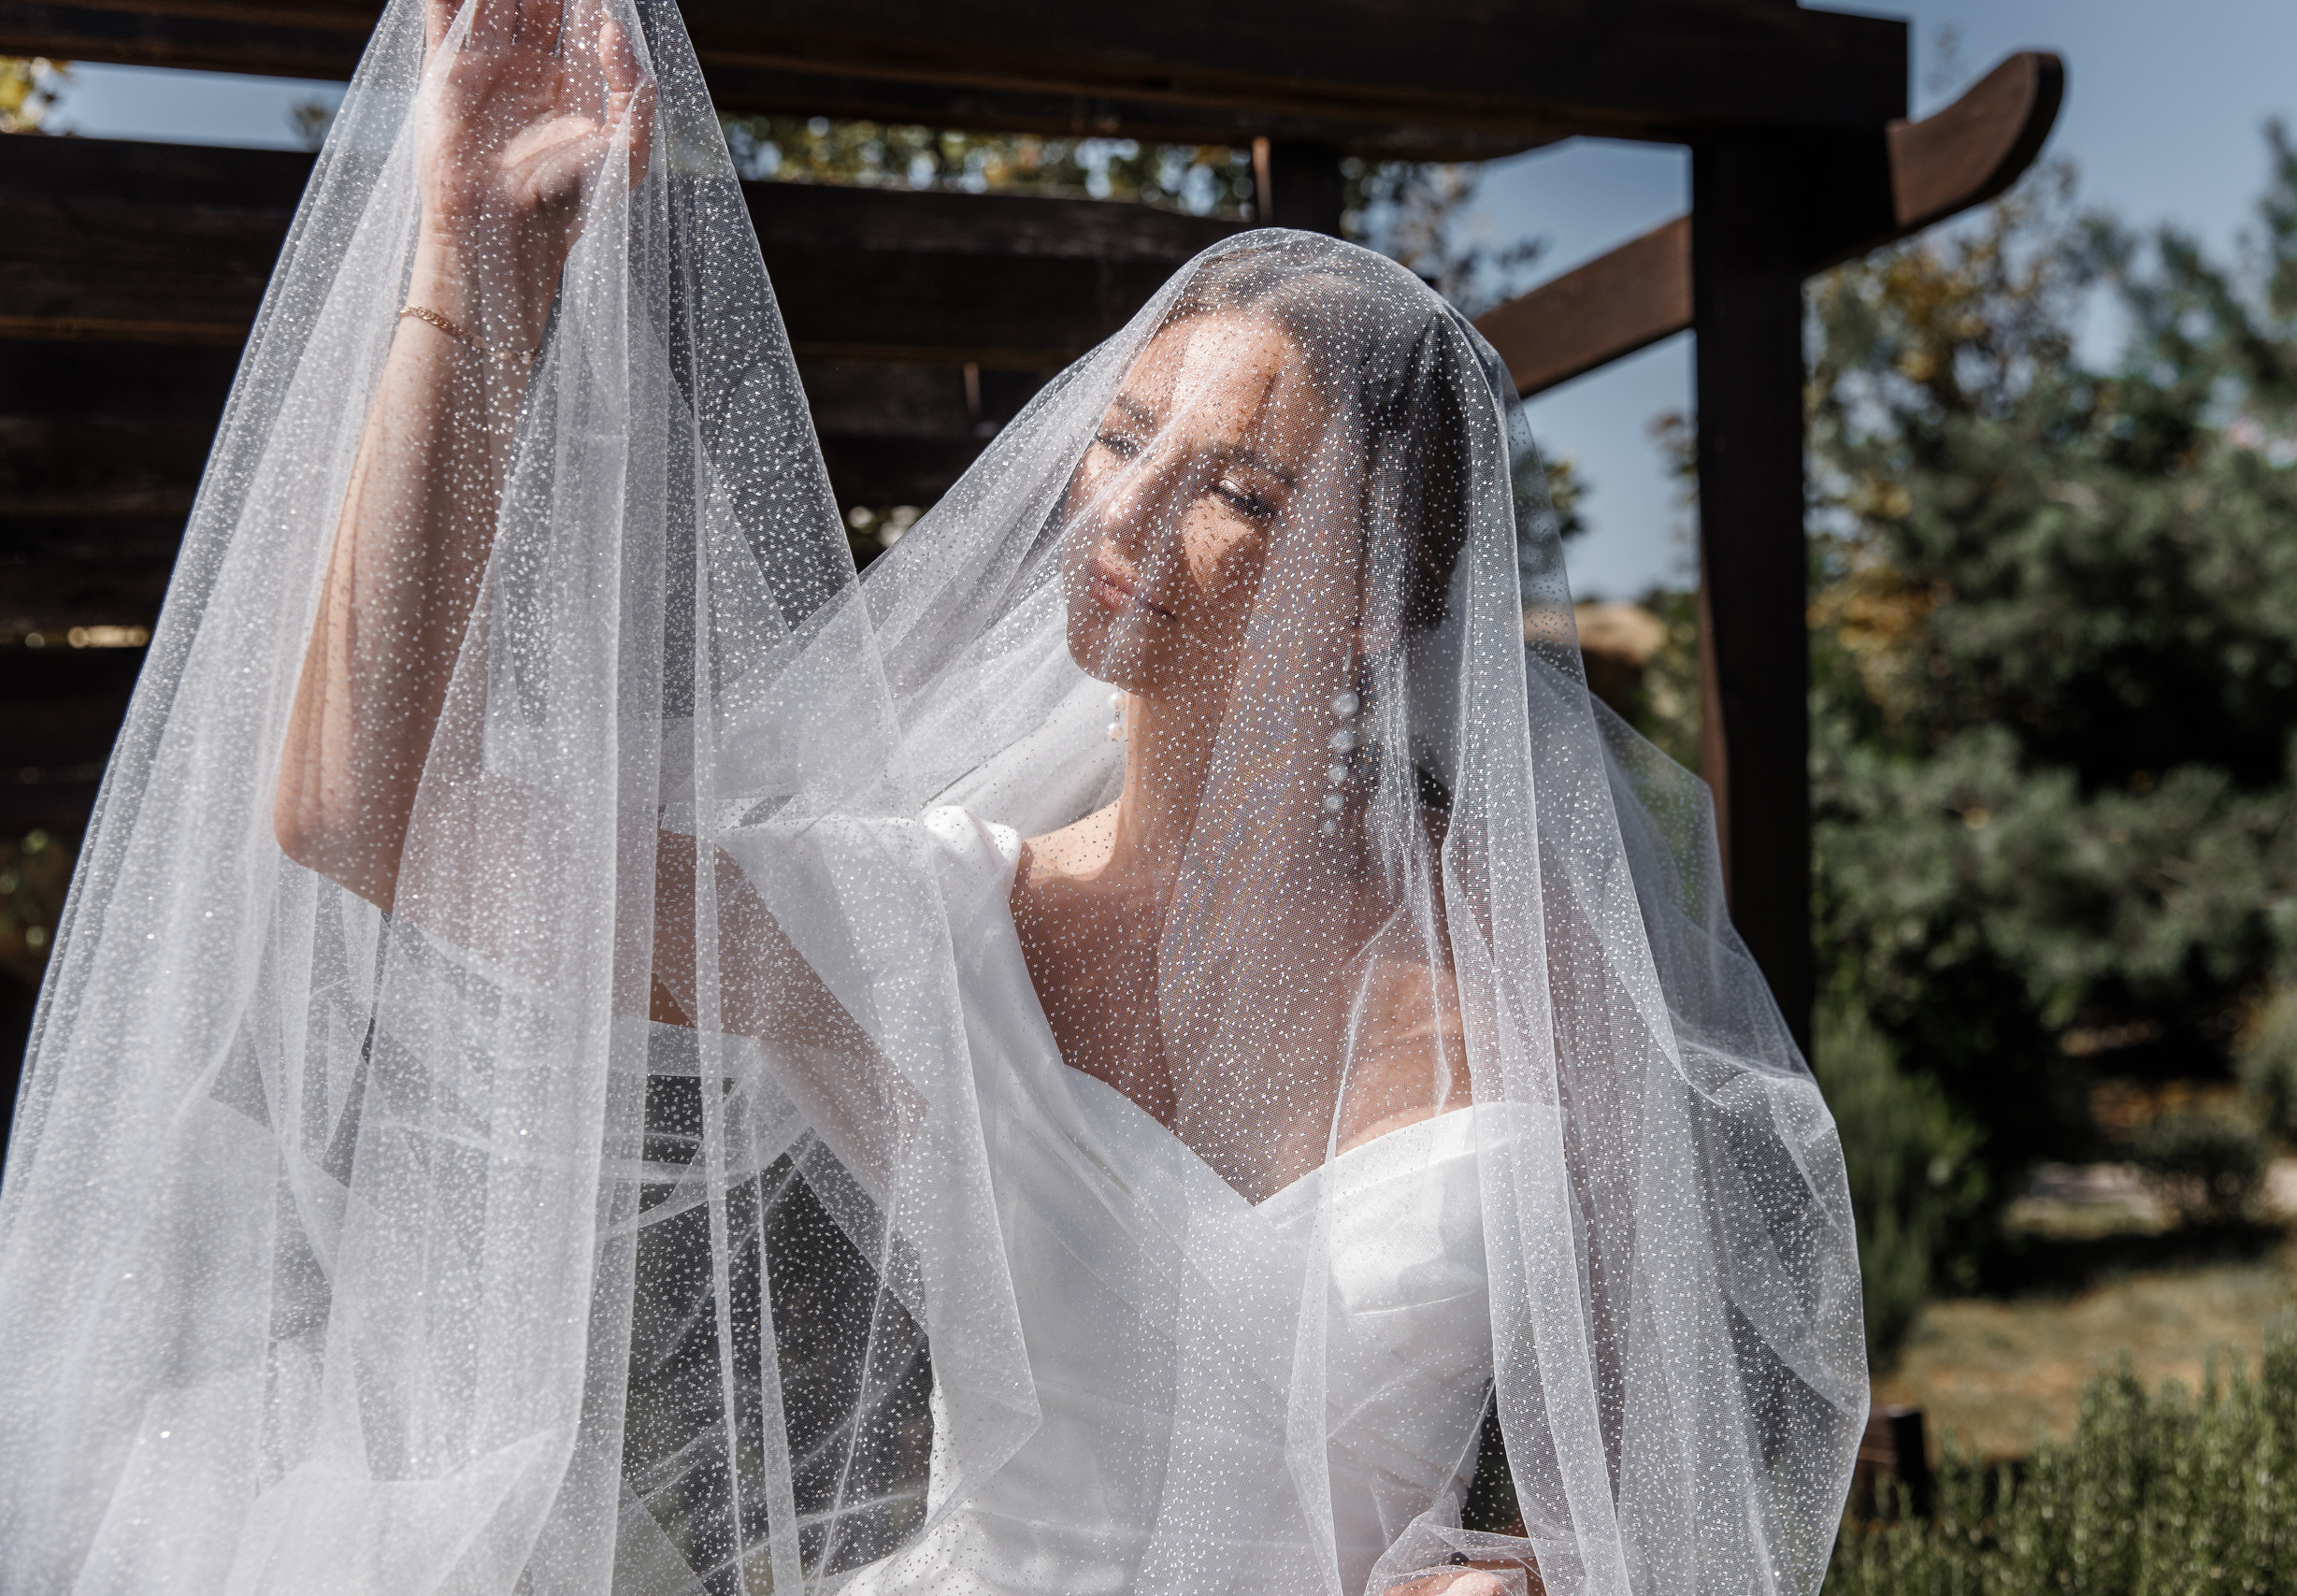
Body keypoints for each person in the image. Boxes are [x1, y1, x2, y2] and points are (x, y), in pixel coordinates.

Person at [0, 4, 1868, 1594]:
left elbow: (1646, 1496)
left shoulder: (1544, 976)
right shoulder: (916, 927)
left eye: (1237, 489)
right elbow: (360, 806)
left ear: (1375, 602)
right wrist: (469, 269)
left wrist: (1525, 1568)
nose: (1118, 513)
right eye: (1119, 438)